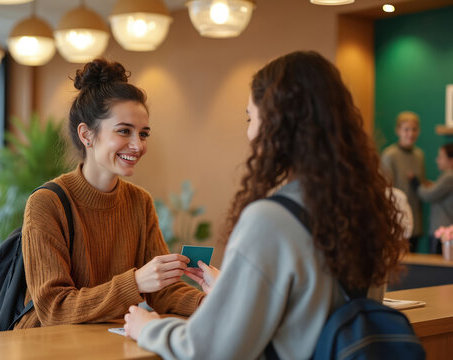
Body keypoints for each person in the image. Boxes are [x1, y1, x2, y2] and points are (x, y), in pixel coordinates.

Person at [123, 51, 407, 359]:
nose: (249, 132)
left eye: (250, 117)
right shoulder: (364, 209)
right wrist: (233, 294)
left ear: (275, 126)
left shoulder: (270, 219)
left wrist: (148, 328)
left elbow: (211, 349)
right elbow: (311, 315)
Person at [15, 59, 204, 329]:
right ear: (87, 135)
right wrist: (136, 282)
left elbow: (163, 292)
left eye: (144, 133)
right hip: (50, 348)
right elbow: (54, 310)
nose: (138, 145)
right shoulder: (47, 203)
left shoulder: (140, 202)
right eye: (124, 131)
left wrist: (207, 302)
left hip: (108, 343)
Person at [381, 111, 425, 252]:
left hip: (415, 220)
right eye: (406, 129)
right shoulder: (390, 155)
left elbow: (420, 187)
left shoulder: (419, 155)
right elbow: (386, 191)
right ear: (398, 130)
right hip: (397, 221)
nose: (410, 134)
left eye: (414, 129)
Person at [412, 143, 453, 254]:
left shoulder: (449, 176)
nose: (437, 160)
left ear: (451, 160)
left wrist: (416, 184)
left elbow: (429, 195)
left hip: (443, 231)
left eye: (440, 157)